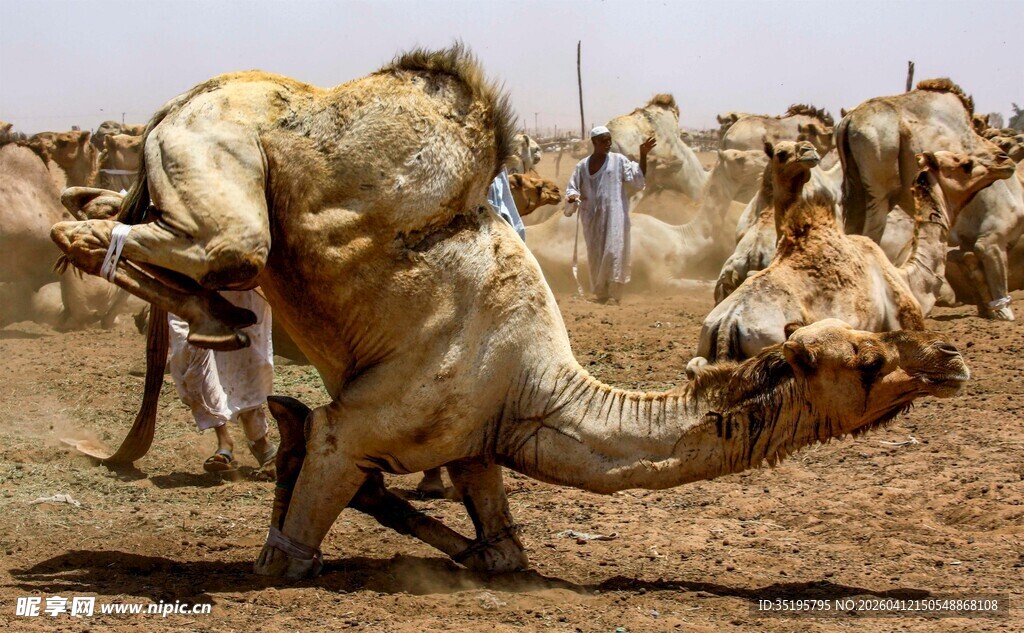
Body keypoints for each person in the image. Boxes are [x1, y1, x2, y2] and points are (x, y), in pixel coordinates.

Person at [167, 289, 277, 473]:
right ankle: (224, 439)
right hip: (187, 279)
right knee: (190, 353)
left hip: (240, 281)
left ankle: (260, 441)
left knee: (246, 358)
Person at [565, 126, 655, 304]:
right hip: (591, 219)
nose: (608, 144)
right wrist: (573, 196)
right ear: (594, 143)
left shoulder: (618, 161)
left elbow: (637, 178)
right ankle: (601, 293)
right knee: (595, 254)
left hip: (615, 217)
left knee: (614, 252)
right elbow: (571, 188)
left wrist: (643, 155)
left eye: (609, 140)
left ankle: (614, 294)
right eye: (604, 141)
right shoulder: (582, 166)